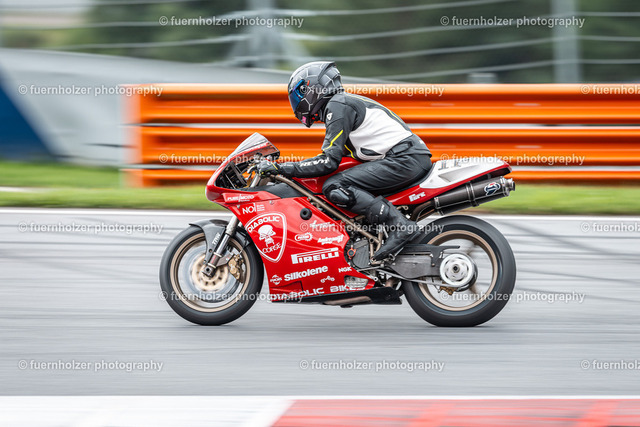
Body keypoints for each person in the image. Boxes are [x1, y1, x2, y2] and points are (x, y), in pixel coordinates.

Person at [258, 61, 432, 261]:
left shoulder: (338, 105)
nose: (296, 102)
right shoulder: (341, 104)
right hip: (406, 158)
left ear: (311, 89)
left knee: (335, 186)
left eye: (298, 95)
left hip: (404, 159)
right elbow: (336, 159)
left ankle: (400, 226)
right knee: (340, 182)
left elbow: (328, 161)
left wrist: (282, 168)